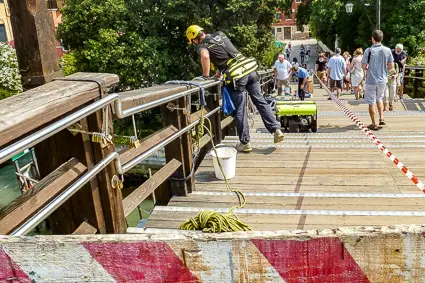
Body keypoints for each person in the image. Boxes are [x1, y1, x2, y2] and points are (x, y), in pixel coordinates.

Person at [185, 25, 284, 152]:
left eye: (192, 41)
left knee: (240, 109)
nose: (193, 44)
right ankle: (276, 129)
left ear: (194, 39)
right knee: (260, 101)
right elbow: (225, 54)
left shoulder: (202, 46)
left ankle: (245, 142)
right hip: (249, 69)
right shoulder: (219, 34)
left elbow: (205, 56)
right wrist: (219, 73)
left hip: (237, 77)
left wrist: (205, 76)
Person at [362, 30, 394, 131]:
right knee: (379, 98)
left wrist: (369, 67)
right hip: (382, 80)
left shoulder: (368, 50)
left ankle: (374, 124)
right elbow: (390, 67)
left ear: (372, 38)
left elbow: (363, 66)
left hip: (371, 80)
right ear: (382, 39)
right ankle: (381, 118)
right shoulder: (388, 50)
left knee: (371, 102)